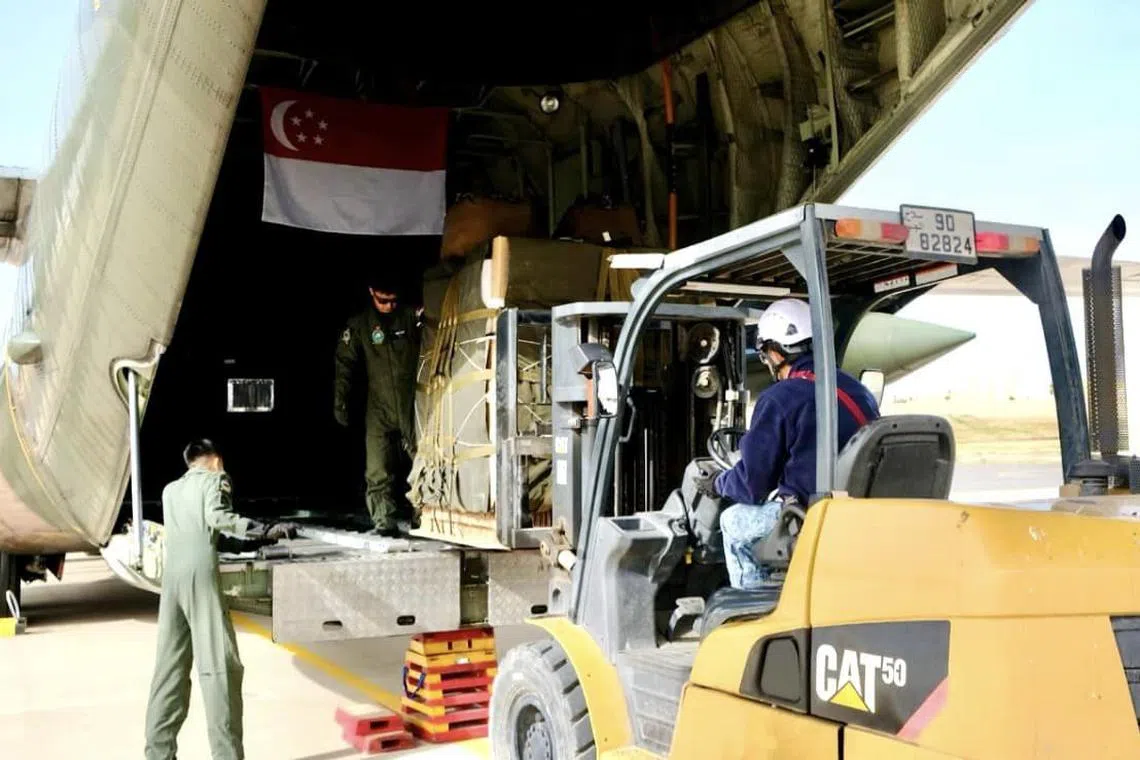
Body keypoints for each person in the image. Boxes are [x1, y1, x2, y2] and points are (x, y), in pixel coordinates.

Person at [695, 298, 880, 589]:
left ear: (775, 352)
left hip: (809, 515)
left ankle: (750, 606)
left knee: (732, 521)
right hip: (855, 513)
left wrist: (719, 483)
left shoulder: (779, 399)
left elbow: (752, 487)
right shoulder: (859, 392)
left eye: (766, 353)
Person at [144, 439, 297, 760]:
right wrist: (263, 530)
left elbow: (194, 528)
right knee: (220, 667)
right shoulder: (216, 479)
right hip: (201, 579)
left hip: (172, 582)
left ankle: (158, 753)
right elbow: (217, 517)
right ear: (216, 460)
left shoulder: (170, 490)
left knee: (169, 670)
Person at [334, 277, 422, 536]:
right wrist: (340, 401)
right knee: (377, 468)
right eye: (382, 301)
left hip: (412, 404)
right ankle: (383, 521)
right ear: (371, 292)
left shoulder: (410, 317)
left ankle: (426, 516)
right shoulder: (360, 324)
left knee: (424, 463)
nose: (388, 306)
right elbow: (344, 364)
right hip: (379, 407)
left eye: (393, 301)